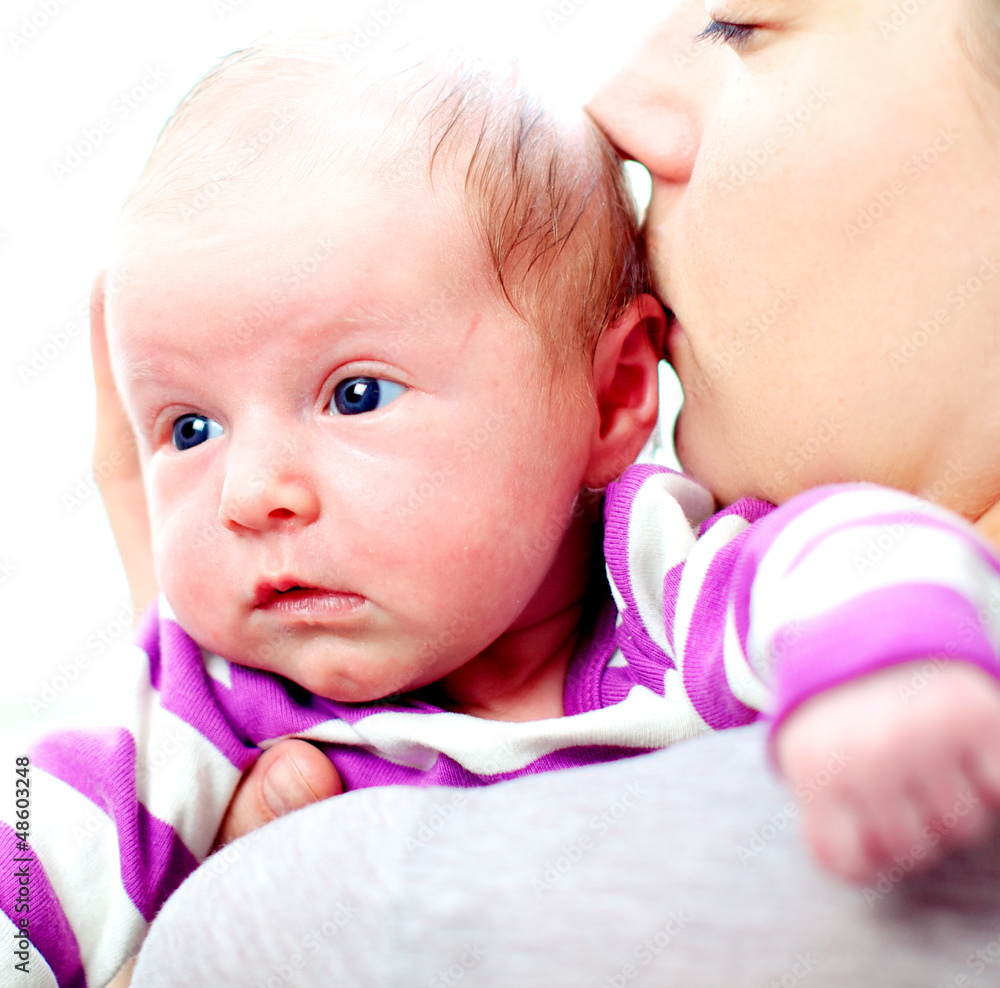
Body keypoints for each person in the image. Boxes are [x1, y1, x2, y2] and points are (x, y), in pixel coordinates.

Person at [6, 2, 1000, 982]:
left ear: (611, 396)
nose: (250, 492)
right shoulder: (215, 698)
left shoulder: (659, 581)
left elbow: (849, 549)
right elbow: (30, 833)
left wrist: (890, 677)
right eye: (189, 428)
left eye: (355, 395)